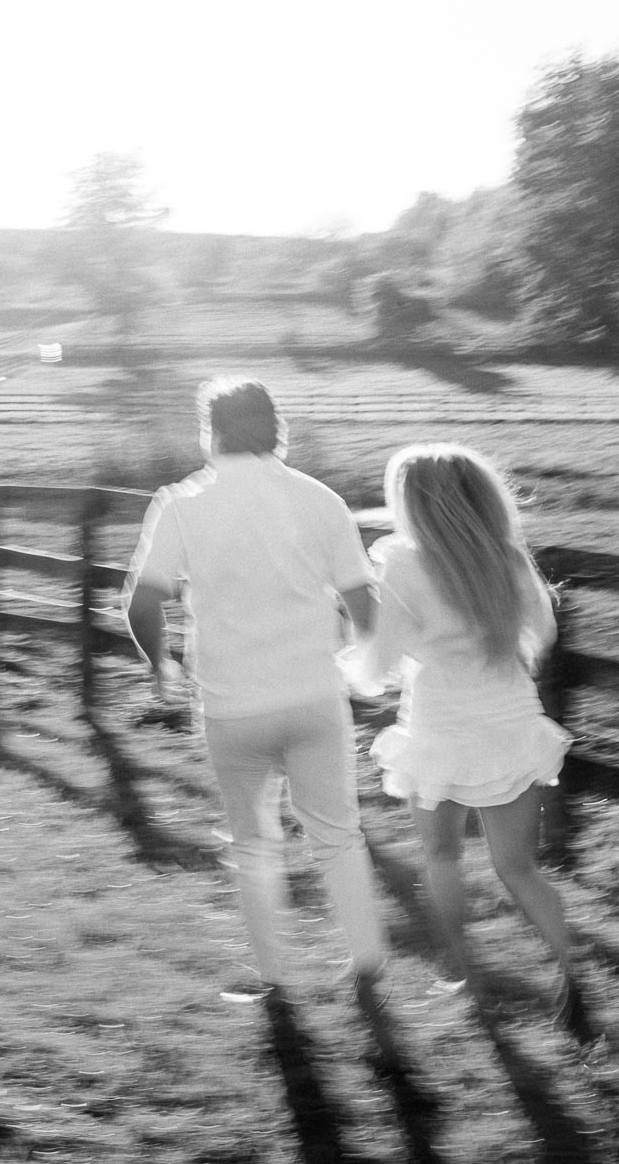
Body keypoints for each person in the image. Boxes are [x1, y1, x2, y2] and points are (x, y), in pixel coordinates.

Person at [123, 377, 388, 1007]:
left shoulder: (181, 503)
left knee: (251, 843)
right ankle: (368, 959)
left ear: (209, 429)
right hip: (314, 696)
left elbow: (141, 602)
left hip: (230, 704)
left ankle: (276, 979)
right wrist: (356, 657)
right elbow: (362, 602)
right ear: (277, 428)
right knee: (337, 835)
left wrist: (161, 667)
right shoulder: (319, 499)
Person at [356, 442, 589, 1033]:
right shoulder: (507, 559)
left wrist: (352, 654)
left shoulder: (403, 564)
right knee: (519, 867)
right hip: (510, 722)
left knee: (441, 855)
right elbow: (542, 632)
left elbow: (375, 667)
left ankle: (461, 974)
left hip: (439, 729)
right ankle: (571, 972)